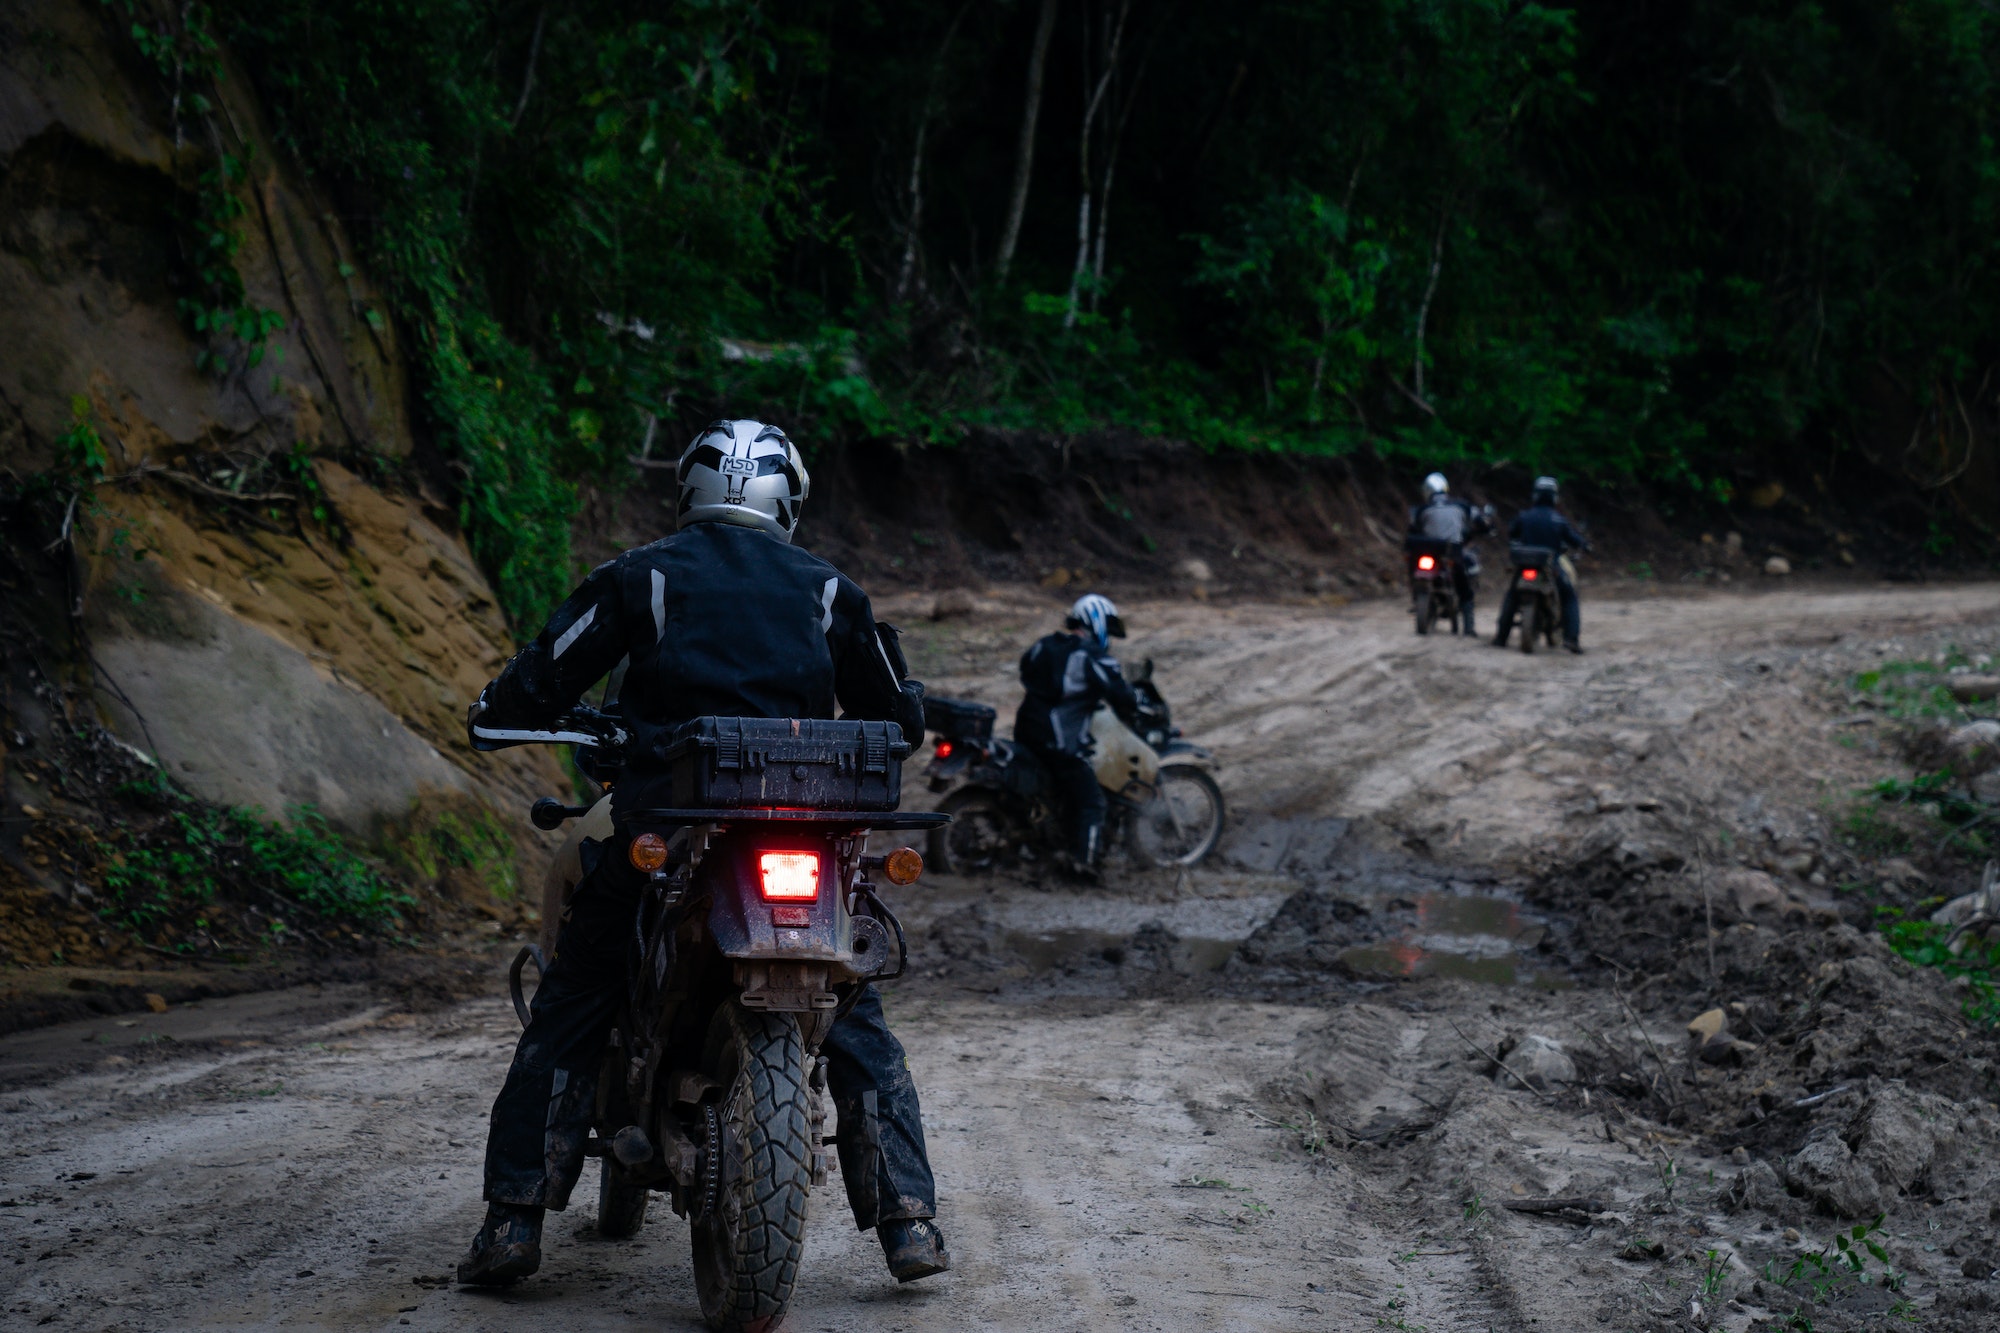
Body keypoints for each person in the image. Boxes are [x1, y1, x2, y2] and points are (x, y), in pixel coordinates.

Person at [455, 419, 951, 1288]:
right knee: (853, 1010)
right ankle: (908, 1219)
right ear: (788, 499)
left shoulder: (641, 575)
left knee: (577, 992)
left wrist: (500, 707)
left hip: (672, 827)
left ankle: (514, 1218)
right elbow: (901, 717)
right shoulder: (831, 591)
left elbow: (542, 678)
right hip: (806, 831)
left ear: (690, 490)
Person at [1015, 593, 1141, 883]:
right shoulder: (1091, 655)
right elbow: (1120, 692)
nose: (1108, 636)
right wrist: (1133, 703)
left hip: (1026, 731)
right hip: (1057, 740)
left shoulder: (1044, 645)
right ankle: (1083, 867)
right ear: (1095, 622)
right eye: (1107, 629)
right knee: (1092, 802)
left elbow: (1028, 672)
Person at [1492, 475, 1590, 653]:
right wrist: (1585, 545)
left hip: (1523, 567)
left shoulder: (1524, 516)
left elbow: (1512, 533)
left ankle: (1501, 637)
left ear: (1535, 495)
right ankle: (1572, 639)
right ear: (1554, 497)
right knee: (1569, 597)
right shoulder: (1558, 519)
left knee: (1512, 596)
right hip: (1550, 567)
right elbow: (1575, 540)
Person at [1406, 472, 1493, 634]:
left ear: (1427, 491)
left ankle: (1416, 595)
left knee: (1412, 563)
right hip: (1452, 552)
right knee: (1464, 589)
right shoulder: (1461, 505)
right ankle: (1469, 627)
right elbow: (1481, 522)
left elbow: (1413, 530)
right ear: (1445, 488)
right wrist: (1485, 526)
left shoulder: (1421, 510)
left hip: (1426, 552)